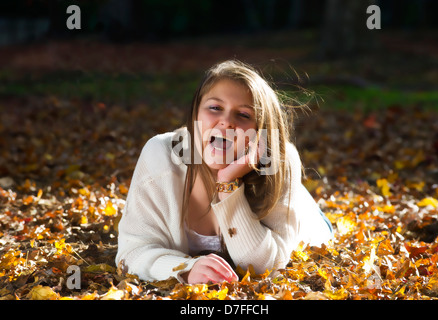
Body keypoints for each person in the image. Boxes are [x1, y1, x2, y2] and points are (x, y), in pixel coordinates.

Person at [115, 60, 333, 284]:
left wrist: (228, 182)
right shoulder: (162, 154)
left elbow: (264, 267)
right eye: (215, 108)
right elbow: (131, 254)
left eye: (244, 115)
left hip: (307, 220)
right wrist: (186, 269)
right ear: (195, 114)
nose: (226, 122)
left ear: (261, 131)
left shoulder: (278, 159)